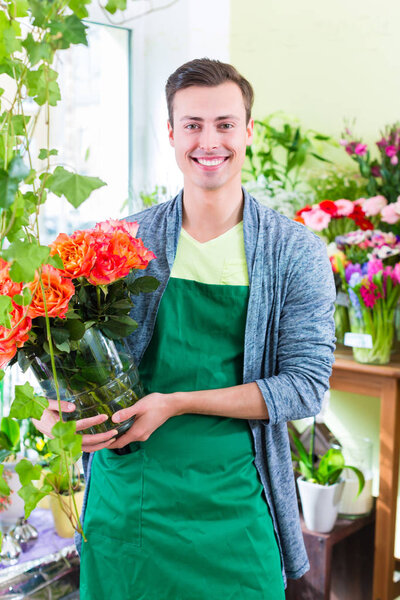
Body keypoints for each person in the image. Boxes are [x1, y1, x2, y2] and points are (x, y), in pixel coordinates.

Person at [34, 58, 336, 599]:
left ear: (249, 131)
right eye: (192, 125)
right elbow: (70, 358)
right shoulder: (123, 245)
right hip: (133, 499)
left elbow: (306, 386)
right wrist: (57, 407)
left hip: (237, 505)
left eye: (224, 124)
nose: (209, 141)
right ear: (171, 134)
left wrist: (177, 402)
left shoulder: (295, 253)